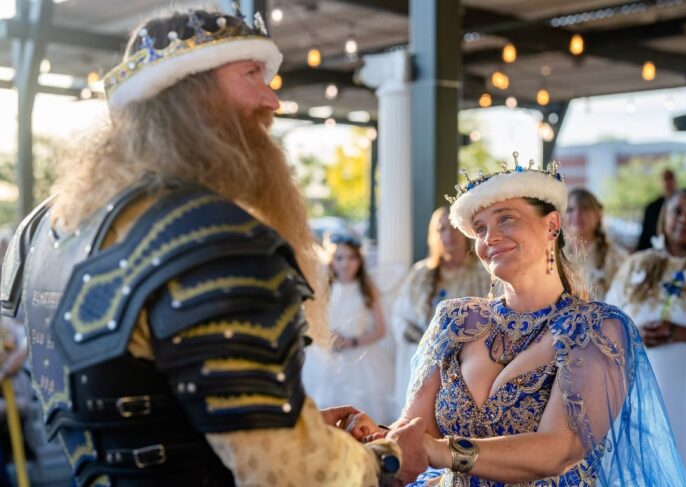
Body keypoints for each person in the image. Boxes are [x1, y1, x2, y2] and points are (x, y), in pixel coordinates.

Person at [0, 5, 428, 486]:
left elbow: (135, 411)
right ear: (192, 91)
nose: (273, 101)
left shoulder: (49, 227)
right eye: (252, 74)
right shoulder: (213, 240)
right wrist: (387, 458)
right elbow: (287, 472)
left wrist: (295, 427)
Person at [352, 153, 686, 485]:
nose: (490, 238)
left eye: (506, 218)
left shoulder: (595, 328)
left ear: (552, 225)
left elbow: (559, 449)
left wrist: (440, 451)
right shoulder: (455, 320)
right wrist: (377, 440)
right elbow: (416, 429)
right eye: (480, 229)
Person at [606, 188, 686, 486]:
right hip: (642, 389)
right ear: (665, 217)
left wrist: (684, 333)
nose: (684, 219)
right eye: (677, 211)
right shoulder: (639, 264)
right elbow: (609, 321)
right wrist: (632, 336)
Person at [391, 207, 491, 412]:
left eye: (454, 228)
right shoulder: (421, 274)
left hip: (465, 367)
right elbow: (399, 315)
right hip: (422, 363)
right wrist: (419, 337)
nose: (448, 235)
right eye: (441, 229)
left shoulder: (482, 274)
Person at [303, 234, 395, 423]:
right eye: (339, 258)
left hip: (360, 355)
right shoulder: (324, 288)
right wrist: (326, 338)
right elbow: (311, 321)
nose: (345, 264)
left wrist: (352, 341)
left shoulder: (368, 288)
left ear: (359, 260)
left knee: (362, 409)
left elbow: (380, 329)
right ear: (331, 260)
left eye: (351, 257)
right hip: (328, 357)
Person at [565, 188, 628, 300]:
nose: (577, 215)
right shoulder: (554, 255)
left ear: (598, 214)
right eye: (570, 210)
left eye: (584, 209)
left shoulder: (616, 258)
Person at [636, 169, 676, 251]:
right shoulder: (652, 208)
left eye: (670, 178)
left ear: (675, 181)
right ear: (660, 183)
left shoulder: (684, 207)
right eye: (665, 179)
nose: (668, 183)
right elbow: (645, 236)